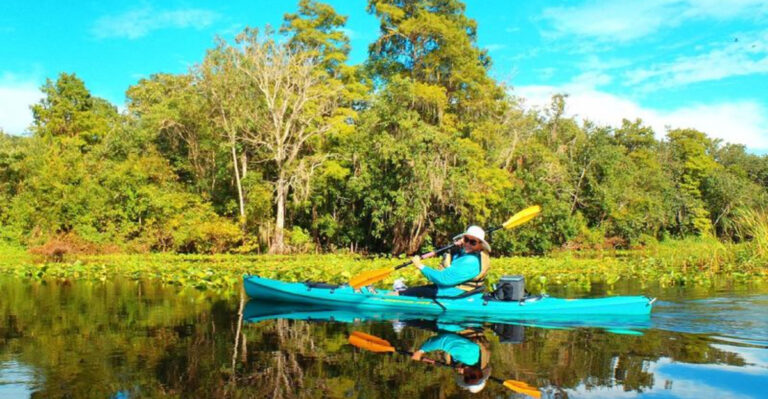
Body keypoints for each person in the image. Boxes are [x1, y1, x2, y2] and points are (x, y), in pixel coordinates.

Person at [397, 225, 491, 299]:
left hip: (453, 292)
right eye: (466, 240)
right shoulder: (468, 254)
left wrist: (420, 266)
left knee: (399, 294)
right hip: (452, 289)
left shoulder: (471, 261)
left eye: (473, 242)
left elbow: (444, 279)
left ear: (481, 245)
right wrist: (455, 246)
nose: (467, 244)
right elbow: (452, 260)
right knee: (416, 289)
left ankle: (399, 295)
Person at [411, 328, 492, 394]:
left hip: (446, 327)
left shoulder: (460, 364)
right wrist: (421, 351)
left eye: (466, 378)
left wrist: (429, 360)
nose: (467, 374)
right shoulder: (471, 357)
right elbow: (444, 340)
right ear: (480, 373)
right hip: (456, 324)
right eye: (472, 376)